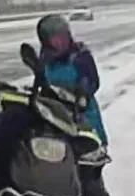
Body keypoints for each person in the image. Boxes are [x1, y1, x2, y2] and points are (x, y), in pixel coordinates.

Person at [35, 14, 107, 147]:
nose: (61, 42)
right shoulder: (45, 60)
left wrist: (83, 91)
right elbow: (41, 82)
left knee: (89, 146)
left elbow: (93, 81)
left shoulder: (80, 56)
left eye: (63, 37)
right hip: (55, 113)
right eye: (55, 39)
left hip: (82, 112)